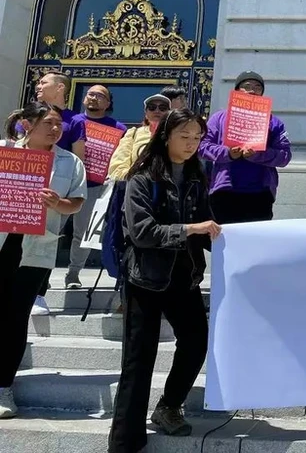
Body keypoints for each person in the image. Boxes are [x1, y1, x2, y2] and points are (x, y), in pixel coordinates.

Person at [107, 109, 221, 451]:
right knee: (138, 360)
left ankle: (169, 405)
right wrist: (189, 229)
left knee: (196, 341)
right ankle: (125, 441)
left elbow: (208, 224)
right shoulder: (142, 177)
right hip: (145, 278)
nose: (191, 144)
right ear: (166, 136)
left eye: (197, 138)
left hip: (183, 277)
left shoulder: (198, 175)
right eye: (184, 136)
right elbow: (141, 232)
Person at [0, 102, 87, 419]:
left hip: (36, 250)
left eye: (58, 124)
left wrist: (58, 203)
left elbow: (76, 204)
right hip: (2, 240)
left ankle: (3, 386)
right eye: (48, 123)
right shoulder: (4, 151)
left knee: (14, 317)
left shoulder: (70, 162)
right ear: (27, 124)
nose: (55, 129)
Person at [200, 71, 292, 224]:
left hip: (260, 193)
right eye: (246, 86)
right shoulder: (218, 118)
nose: (252, 91)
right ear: (237, 91)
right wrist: (228, 153)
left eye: (257, 87)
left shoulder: (274, 122)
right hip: (224, 191)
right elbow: (202, 146)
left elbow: (285, 156)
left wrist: (257, 155)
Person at [61, 85, 126, 289]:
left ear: (108, 103)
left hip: (95, 186)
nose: (94, 98)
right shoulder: (72, 122)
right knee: (52, 230)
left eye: (100, 96)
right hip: (65, 182)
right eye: (90, 94)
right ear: (83, 99)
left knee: (84, 232)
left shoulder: (119, 129)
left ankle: (73, 273)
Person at [27, 71, 77, 316]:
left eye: (43, 82)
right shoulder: (27, 114)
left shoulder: (75, 120)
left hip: (59, 183)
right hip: (24, 184)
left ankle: (39, 292)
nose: (38, 85)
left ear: (60, 88)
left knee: (49, 237)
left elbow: (78, 151)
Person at [108, 94, 171, 180]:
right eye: (152, 107)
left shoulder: (175, 135)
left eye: (162, 108)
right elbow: (117, 166)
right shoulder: (133, 133)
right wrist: (136, 180)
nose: (157, 111)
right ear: (146, 113)